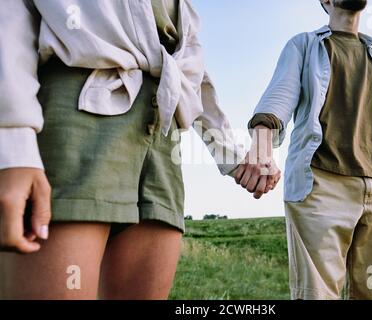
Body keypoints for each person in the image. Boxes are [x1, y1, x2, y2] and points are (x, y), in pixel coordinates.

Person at [0, 0, 262, 299]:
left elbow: (190, 66)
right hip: (75, 120)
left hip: (162, 137)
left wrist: (230, 154)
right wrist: (13, 141)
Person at [234, 0, 372, 300]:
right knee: (318, 295)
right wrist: (261, 152)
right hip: (320, 190)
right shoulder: (305, 46)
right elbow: (277, 100)